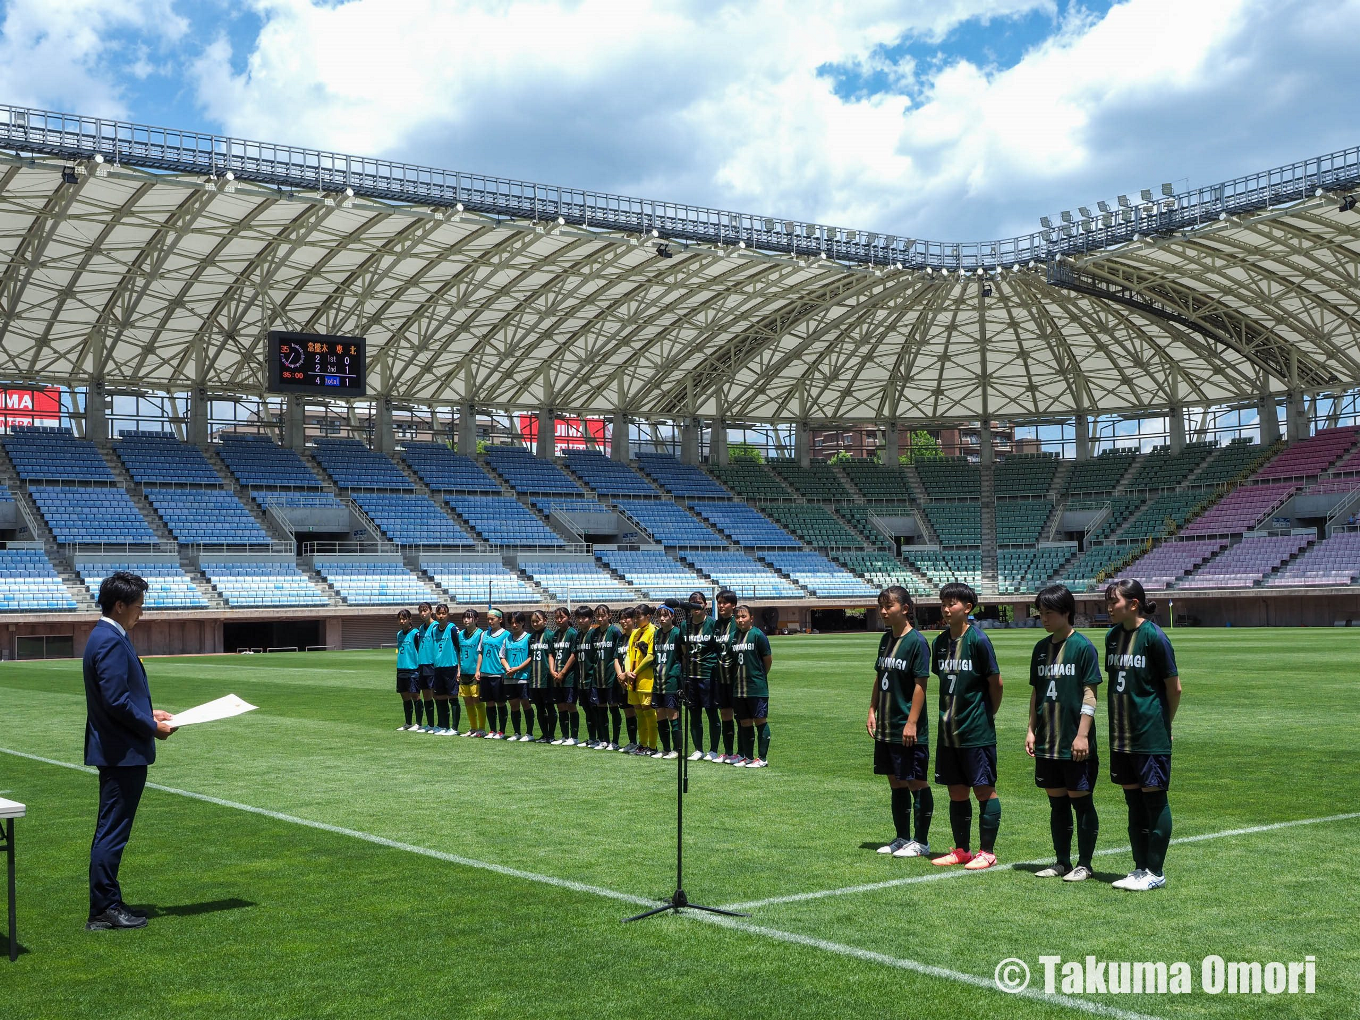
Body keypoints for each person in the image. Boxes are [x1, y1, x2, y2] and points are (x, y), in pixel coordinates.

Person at [84, 571, 174, 931]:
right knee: (112, 830)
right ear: (119, 606)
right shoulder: (108, 640)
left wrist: (148, 712)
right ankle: (105, 907)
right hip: (121, 752)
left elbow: (120, 699)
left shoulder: (108, 636)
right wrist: (152, 726)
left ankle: (105, 904)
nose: (142, 613)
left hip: (120, 748)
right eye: (138, 607)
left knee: (111, 828)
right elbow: (116, 701)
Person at [1104, 578, 1181, 892]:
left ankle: (1156, 871)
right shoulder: (1111, 637)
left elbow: (1173, 688)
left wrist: (1166, 724)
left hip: (1150, 734)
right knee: (1133, 804)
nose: (1108, 607)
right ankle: (1139, 869)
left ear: (1133, 604)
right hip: (1121, 735)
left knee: (1154, 801)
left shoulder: (1153, 637)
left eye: (1114, 602)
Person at [1025, 585, 1101, 882]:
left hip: (1074, 741)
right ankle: (1061, 861)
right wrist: (1031, 730)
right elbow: (1036, 693)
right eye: (1040, 613)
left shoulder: (1083, 647)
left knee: (1081, 801)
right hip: (1047, 741)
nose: (1043, 618)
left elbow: (1090, 694)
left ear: (1066, 613)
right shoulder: (1040, 649)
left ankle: (1085, 863)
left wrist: (1082, 735)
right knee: (1057, 804)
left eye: (1049, 613)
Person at [930, 582, 1003, 870]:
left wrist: (986, 716)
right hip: (948, 732)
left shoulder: (978, 641)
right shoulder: (939, 643)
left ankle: (988, 852)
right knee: (956, 791)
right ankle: (961, 850)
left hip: (976, 731)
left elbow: (995, 684)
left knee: (984, 790)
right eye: (944, 603)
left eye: (953, 604)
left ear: (967, 608)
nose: (947, 609)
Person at [867, 586, 933, 858]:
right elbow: (879, 676)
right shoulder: (886, 639)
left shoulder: (917, 642)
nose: (883, 611)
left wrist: (911, 723)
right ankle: (902, 837)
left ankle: (921, 841)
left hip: (906, 726)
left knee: (916, 781)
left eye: (888, 606)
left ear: (905, 609)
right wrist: (872, 709)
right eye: (881, 606)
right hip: (886, 724)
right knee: (895, 782)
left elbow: (920, 685)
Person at [680, 592, 723, 761]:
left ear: (705, 605)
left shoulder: (713, 624)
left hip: (708, 675)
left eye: (699, 603)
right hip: (691, 676)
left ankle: (713, 750)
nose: (695, 606)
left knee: (712, 712)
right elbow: (684, 650)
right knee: (694, 713)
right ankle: (698, 749)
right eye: (692, 603)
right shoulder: (685, 625)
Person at [732, 604, 773, 768]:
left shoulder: (758, 635)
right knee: (744, 722)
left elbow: (767, 660)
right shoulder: (734, 636)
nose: (740, 620)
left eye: (744, 617)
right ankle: (748, 757)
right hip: (739, 688)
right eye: (738, 617)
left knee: (760, 721)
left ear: (751, 618)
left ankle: (762, 758)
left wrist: (760, 677)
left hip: (756, 687)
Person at [651, 602, 684, 759]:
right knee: (660, 714)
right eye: (659, 616)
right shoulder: (656, 634)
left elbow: (683, 655)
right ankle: (665, 748)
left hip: (671, 679)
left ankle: (677, 750)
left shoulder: (677, 633)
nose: (662, 619)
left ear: (672, 616)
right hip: (657, 680)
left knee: (673, 715)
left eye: (665, 615)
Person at [625, 604, 658, 756]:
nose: (636, 620)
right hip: (632, 680)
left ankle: (652, 746)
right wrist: (627, 672)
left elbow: (651, 656)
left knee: (649, 713)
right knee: (639, 713)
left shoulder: (653, 631)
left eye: (639, 617)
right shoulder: (635, 633)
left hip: (646, 679)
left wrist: (635, 672)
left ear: (648, 617)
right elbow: (628, 653)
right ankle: (642, 744)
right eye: (635, 617)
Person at [592, 604, 625, 751]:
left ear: (609, 615)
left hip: (611, 677)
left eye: (602, 615)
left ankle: (615, 741)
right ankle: (603, 739)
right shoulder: (594, 633)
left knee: (613, 707)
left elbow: (618, 654)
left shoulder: (615, 632)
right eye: (597, 616)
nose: (600, 618)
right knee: (600, 708)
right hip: (598, 677)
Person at [713, 589, 740, 762]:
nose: (721, 606)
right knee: (725, 714)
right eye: (719, 602)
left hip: (736, 678)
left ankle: (743, 754)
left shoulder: (737, 624)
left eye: (725, 602)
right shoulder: (716, 625)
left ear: (733, 605)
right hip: (720, 678)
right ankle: (729, 752)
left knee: (741, 716)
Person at [550, 606, 582, 746]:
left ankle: (574, 737)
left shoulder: (573, 633)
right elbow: (550, 654)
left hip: (569, 676)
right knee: (560, 706)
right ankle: (564, 736)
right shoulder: (555, 634)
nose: (559, 620)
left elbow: (574, 654)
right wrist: (552, 671)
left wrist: (563, 672)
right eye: (556, 617)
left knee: (570, 705)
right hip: (556, 676)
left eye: (562, 617)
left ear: (568, 617)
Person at [477, 609, 510, 739]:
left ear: (500, 619)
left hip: (499, 674)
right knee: (489, 703)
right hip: (485, 673)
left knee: (500, 702)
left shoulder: (506, 635)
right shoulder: (484, 634)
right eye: (488, 619)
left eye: (493, 619)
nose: (490, 621)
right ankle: (492, 730)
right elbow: (480, 652)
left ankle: (501, 731)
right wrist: (478, 670)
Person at [572, 606, 602, 747]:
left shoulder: (594, 634)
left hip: (592, 680)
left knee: (595, 710)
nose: (580, 620)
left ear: (590, 619)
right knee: (587, 710)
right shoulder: (578, 635)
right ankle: (591, 738)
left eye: (583, 617)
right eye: (578, 617)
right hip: (580, 680)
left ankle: (601, 739)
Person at [430, 603, 462, 735]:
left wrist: (459, 669)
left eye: (443, 613)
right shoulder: (434, 630)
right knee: (440, 697)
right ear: (435, 615)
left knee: (453, 697)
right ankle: (444, 726)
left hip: (451, 667)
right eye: (439, 613)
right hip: (438, 668)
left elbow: (459, 648)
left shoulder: (453, 629)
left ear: (448, 614)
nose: (441, 616)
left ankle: (454, 728)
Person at [501, 612, 533, 741]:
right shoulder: (507, 639)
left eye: (517, 622)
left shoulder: (528, 638)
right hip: (509, 677)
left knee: (526, 704)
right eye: (512, 623)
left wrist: (517, 669)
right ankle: (517, 733)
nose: (514, 625)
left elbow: (531, 657)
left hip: (523, 677)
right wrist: (508, 668)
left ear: (522, 623)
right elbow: (502, 656)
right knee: (513, 705)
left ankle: (529, 733)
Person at [528, 610, 558, 743]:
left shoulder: (550, 635)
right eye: (533, 621)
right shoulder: (531, 637)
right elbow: (530, 656)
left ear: (545, 620)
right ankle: (544, 734)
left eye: (537, 620)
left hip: (547, 678)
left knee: (550, 706)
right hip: (534, 678)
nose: (535, 623)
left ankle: (551, 735)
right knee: (539, 707)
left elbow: (553, 655)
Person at [457, 610, 486, 737]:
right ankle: (473, 728)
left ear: (476, 619)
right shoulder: (461, 635)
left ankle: (482, 728)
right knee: (467, 702)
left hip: (475, 673)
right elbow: (459, 653)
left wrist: (478, 670)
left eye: (469, 618)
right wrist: (458, 669)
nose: (466, 620)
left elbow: (482, 653)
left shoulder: (481, 634)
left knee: (477, 701)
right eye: (464, 618)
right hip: (464, 672)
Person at [615, 607, 641, 751]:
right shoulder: (621, 638)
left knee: (640, 711)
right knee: (628, 712)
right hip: (623, 681)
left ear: (634, 619)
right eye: (622, 618)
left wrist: (627, 674)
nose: (623, 621)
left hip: (635, 678)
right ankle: (632, 742)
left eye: (627, 618)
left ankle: (644, 743)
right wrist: (620, 675)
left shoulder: (638, 636)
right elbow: (616, 659)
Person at [395, 609, 422, 731]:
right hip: (401, 669)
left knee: (415, 696)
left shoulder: (416, 633)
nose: (402, 621)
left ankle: (419, 723)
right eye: (400, 619)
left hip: (413, 669)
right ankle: (408, 723)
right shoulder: (399, 634)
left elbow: (420, 651)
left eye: (404, 619)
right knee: (404, 696)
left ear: (410, 619)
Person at [415, 601, 438, 731]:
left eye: (425, 611)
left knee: (436, 695)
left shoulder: (435, 626)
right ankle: (430, 724)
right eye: (421, 611)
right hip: (422, 664)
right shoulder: (421, 628)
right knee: (426, 695)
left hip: (432, 664)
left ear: (431, 611)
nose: (423, 614)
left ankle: (440, 725)